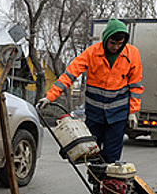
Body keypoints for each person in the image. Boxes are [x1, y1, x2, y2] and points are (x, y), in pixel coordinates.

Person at [37, 18, 143, 163]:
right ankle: (95, 183)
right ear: (106, 39)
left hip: (118, 115)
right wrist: (50, 97)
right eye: (113, 43)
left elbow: (135, 86)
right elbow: (69, 75)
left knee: (112, 157)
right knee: (92, 153)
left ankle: (109, 185)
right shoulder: (92, 53)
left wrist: (132, 113)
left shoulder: (132, 54)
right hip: (95, 114)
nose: (116, 47)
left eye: (120, 44)